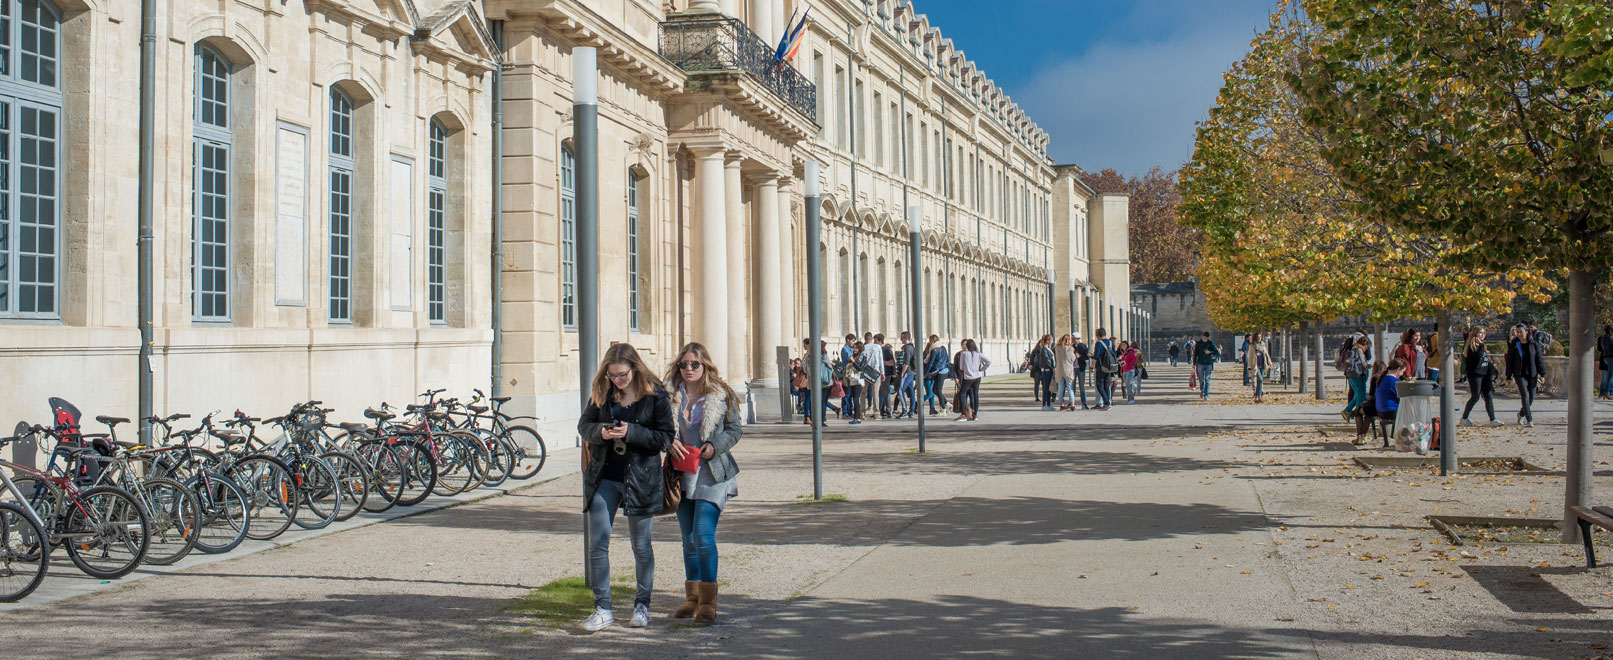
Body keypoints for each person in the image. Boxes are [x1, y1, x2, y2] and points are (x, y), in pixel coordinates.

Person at [576, 343, 676, 632]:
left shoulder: (654, 394)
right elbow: (584, 425)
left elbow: (665, 437)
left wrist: (631, 432)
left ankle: (642, 606)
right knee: (598, 543)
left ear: (635, 368)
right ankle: (602, 607)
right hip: (604, 476)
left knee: (641, 545)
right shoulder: (603, 392)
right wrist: (602, 431)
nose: (617, 381)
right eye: (612, 376)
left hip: (641, 478)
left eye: (622, 375)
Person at [662, 343, 741, 626]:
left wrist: (713, 445)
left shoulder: (721, 394)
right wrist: (667, 442)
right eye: (684, 364)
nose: (689, 369)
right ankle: (692, 597)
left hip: (712, 474)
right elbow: (659, 431)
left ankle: (709, 602)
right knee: (687, 540)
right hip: (682, 476)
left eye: (694, 364)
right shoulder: (670, 396)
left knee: (703, 535)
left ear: (705, 365)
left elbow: (734, 430)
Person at [1504, 323, 1545, 427]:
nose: (1518, 334)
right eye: (1517, 332)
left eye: (1520, 332)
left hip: (1532, 373)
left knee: (1531, 397)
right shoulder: (1514, 344)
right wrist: (1508, 376)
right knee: (1525, 396)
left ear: (1526, 331)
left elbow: (1539, 359)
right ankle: (1529, 419)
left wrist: (1542, 373)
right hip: (1519, 374)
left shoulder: (1533, 344)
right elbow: (1510, 361)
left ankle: (1521, 414)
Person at [1459, 327, 1502, 427]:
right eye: (1480, 333)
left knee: (1488, 396)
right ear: (1475, 334)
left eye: (1484, 333)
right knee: (1475, 396)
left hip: (1485, 374)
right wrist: (1481, 346)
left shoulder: (1482, 346)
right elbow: (1477, 358)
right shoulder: (1471, 346)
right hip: (1475, 374)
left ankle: (1493, 419)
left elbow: (1484, 360)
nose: (1482, 335)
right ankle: (1464, 418)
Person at [953, 338, 989, 421]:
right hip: (977, 377)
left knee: (962, 394)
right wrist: (982, 369)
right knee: (975, 395)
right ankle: (975, 414)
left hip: (968, 377)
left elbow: (961, 367)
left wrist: (966, 367)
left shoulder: (964, 354)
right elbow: (988, 362)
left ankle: (963, 414)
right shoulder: (979, 354)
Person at [1354, 361, 1389, 445]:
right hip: (1381, 406)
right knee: (1368, 414)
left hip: (1376, 406)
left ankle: (1360, 436)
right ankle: (1361, 437)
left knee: (1358, 411)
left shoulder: (1375, 377)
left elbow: (1371, 393)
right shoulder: (1386, 378)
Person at [1375, 357, 1409, 434]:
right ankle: (1406, 438)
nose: (1402, 374)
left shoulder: (1383, 378)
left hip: (1380, 410)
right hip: (1390, 411)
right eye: (1403, 371)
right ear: (1398, 369)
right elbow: (1400, 398)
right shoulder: (1394, 381)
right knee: (1412, 413)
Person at [1341, 336, 1371, 421]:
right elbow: (1364, 364)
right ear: (1365, 344)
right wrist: (1369, 366)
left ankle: (1347, 411)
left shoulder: (1352, 348)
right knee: (1361, 396)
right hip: (1359, 376)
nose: (1367, 349)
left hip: (1351, 375)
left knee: (1357, 395)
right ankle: (1359, 416)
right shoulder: (1359, 350)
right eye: (1367, 347)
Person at [923, 335, 951, 415]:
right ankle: (946, 404)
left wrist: (925, 373)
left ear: (932, 341)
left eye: (930, 340)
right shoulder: (943, 348)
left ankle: (943, 408)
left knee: (937, 390)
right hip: (944, 370)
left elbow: (930, 363)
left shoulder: (934, 350)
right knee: (936, 390)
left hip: (937, 372)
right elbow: (947, 359)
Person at [1091, 328, 1116, 410]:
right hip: (1109, 367)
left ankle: (1107, 402)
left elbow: (1096, 356)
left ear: (1098, 335)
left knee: (1099, 385)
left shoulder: (1099, 343)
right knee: (1106, 385)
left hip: (1101, 367)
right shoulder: (1110, 343)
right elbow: (1114, 354)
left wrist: (1091, 366)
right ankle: (1108, 402)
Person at [844, 341, 868, 425]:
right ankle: (855, 417)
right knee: (854, 398)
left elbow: (860, 368)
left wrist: (853, 361)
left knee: (856, 398)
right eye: (853, 348)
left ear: (860, 348)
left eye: (856, 348)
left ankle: (858, 417)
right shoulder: (853, 356)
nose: (854, 349)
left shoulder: (863, 357)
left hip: (859, 380)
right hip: (852, 379)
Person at [1031, 334, 1057, 410]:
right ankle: (1044, 404)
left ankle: (1049, 404)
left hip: (1050, 371)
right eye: (1051, 340)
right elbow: (1047, 360)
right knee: (1046, 388)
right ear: (1048, 341)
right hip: (1046, 371)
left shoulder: (1048, 349)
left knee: (1049, 388)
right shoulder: (1044, 349)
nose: (1052, 341)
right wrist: (1052, 368)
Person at [1193, 332, 1220, 399]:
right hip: (1200, 363)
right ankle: (1202, 391)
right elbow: (1195, 354)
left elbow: (1216, 352)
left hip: (1208, 363)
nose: (1205, 339)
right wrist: (1194, 363)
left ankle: (1206, 394)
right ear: (1202, 337)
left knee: (1207, 379)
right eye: (1204, 338)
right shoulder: (1199, 344)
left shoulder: (1210, 343)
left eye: (1206, 338)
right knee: (1201, 380)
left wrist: (1210, 352)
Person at [1055, 334, 1079, 411]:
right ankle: (1072, 404)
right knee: (1069, 387)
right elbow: (1072, 358)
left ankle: (1061, 404)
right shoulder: (1069, 349)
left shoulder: (1057, 348)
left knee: (1061, 388)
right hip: (1068, 369)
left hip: (1059, 369)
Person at [1246, 332, 1270, 403]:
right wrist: (1249, 368)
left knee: (1260, 381)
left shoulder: (1263, 345)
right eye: (1258, 337)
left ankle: (1258, 397)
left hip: (1262, 364)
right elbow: (1250, 357)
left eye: (1260, 337)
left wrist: (1270, 363)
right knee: (1260, 379)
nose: (1259, 339)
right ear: (1255, 338)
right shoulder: (1252, 346)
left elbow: (1266, 355)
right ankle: (1257, 396)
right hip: (1255, 366)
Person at [877, 333, 897, 418]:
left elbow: (892, 362)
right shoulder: (878, 349)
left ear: (880, 341)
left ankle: (889, 410)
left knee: (885, 392)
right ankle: (882, 410)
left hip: (886, 374)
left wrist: (881, 363)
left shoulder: (886, 350)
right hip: (880, 374)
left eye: (875, 341)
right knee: (880, 393)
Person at [1072, 332, 1091, 409]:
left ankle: (1084, 403)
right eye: (1073, 339)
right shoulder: (1071, 347)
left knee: (1082, 387)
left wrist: (1080, 356)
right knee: (1072, 387)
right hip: (1073, 368)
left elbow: (1087, 357)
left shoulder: (1083, 346)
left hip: (1081, 368)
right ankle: (1072, 402)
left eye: (1075, 339)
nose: (1074, 341)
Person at [1118, 340, 1141, 404]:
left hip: (1130, 370)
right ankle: (1129, 399)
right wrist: (1121, 370)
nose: (1123, 346)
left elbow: (1134, 360)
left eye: (1124, 345)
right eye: (1122, 345)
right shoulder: (1123, 353)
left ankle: (1132, 399)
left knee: (1128, 384)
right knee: (1128, 385)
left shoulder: (1130, 352)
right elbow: (1122, 362)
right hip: (1125, 370)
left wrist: (1129, 364)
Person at [1598, 323, 1613, 400]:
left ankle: (1604, 393)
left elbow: (1601, 349)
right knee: (1610, 376)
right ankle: (1606, 392)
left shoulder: (1602, 338)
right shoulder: (1611, 338)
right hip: (1610, 357)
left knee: (1607, 376)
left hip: (1605, 358)